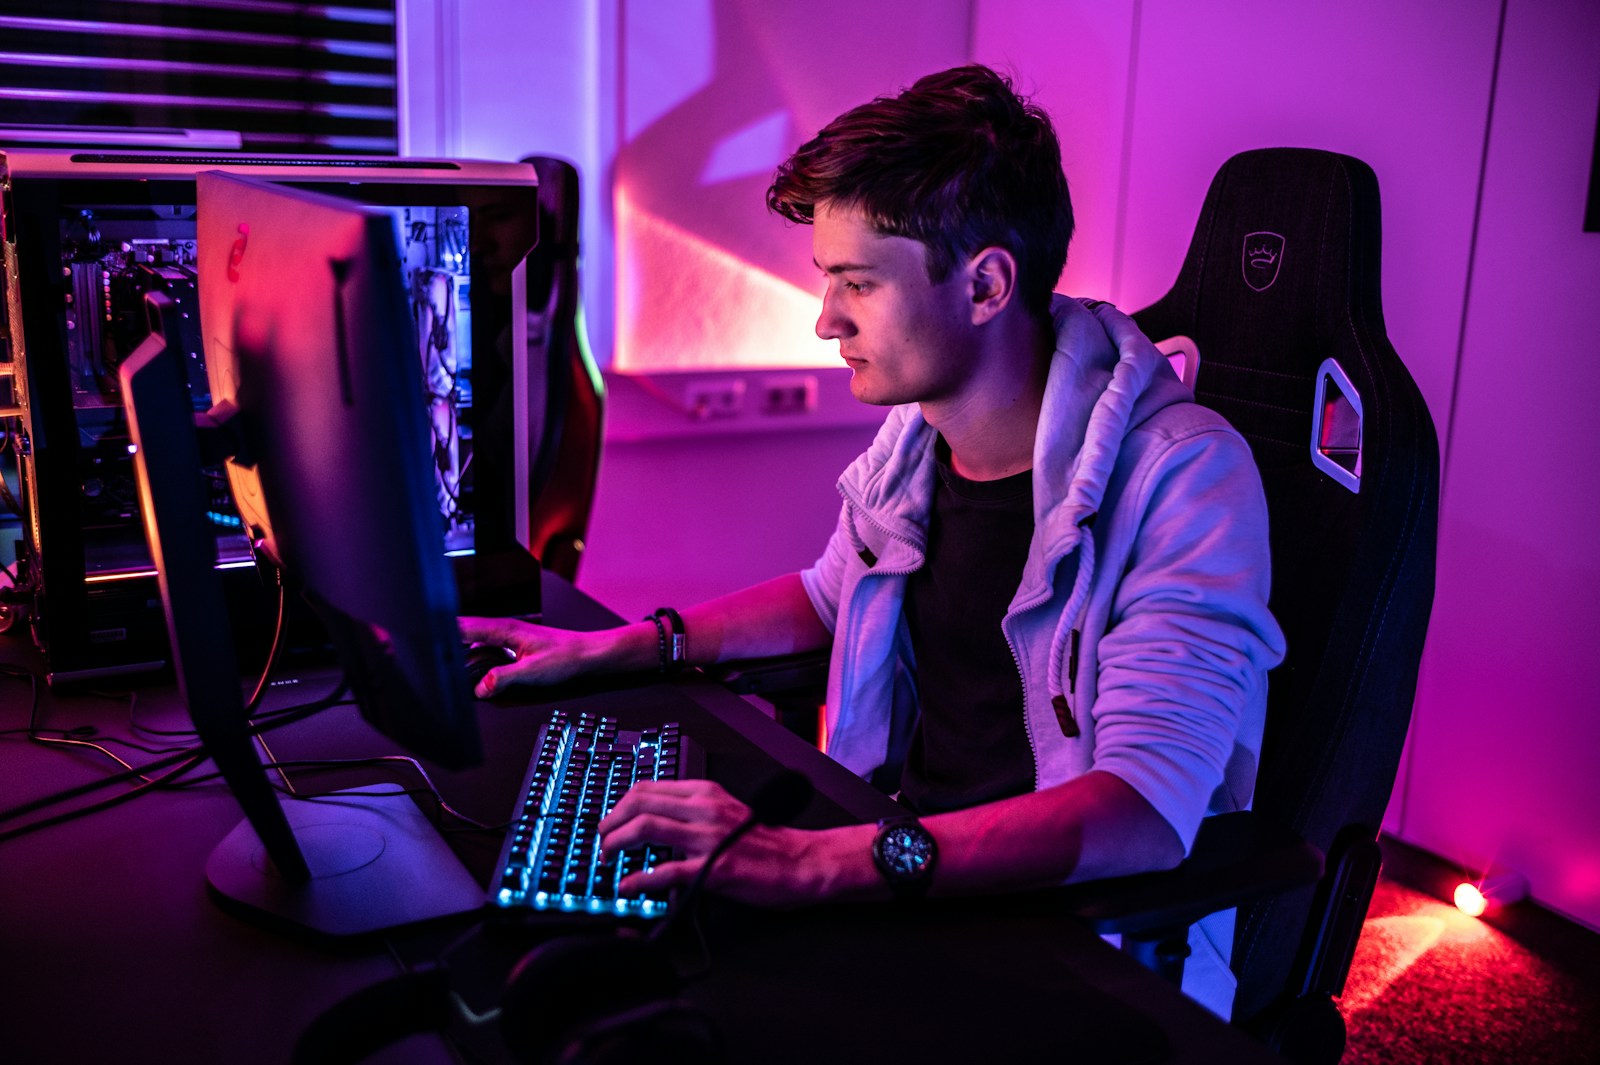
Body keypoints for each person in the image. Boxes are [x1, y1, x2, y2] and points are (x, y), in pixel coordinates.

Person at [459, 64, 1285, 1018]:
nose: (825, 321)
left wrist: (809, 862)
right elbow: (828, 594)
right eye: (827, 281)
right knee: (603, 978)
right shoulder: (924, 433)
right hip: (906, 864)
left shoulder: (1182, 478)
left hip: (1062, 936)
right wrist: (613, 647)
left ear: (984, 285)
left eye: (856, 283)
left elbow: (1140, 812)